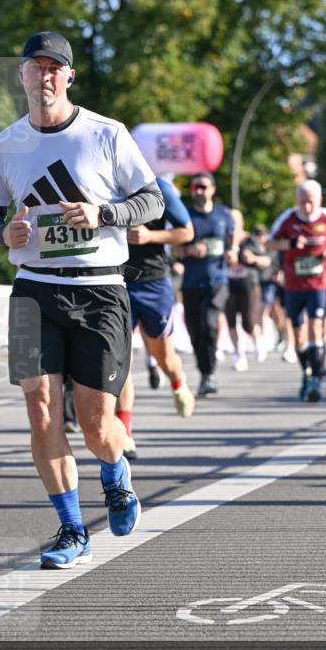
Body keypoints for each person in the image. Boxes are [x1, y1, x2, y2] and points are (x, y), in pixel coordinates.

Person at [0, 31, 164, 568]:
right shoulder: (5, 144)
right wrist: (0, 231)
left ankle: (115, 473)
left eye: (55, 68)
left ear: (69, 76)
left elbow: (150, 200)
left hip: (100, 288)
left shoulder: (106, 134)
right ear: (22, 77)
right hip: (34, 288)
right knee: (40, 412)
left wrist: (103, 215)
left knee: (98, 424)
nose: (45, 77)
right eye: (35, 68)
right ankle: (71, 528)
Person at [115, 174, 196, 459]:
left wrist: (150, 236)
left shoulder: (158, 187)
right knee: (120, 358)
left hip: (153, 281)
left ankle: (177, 382)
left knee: (165, 358)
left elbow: (186, 231)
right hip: (115, 280)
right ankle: (125, 432)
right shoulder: (99, 182)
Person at [268, 180, 326, 402]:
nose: (306, 207)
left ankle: (316, 379)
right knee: (299, 336)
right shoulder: (287, 218)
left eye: (310, 202)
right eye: (302, 202)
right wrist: (288, 244)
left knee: (316, 328)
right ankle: (307, 373)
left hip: (318, 284)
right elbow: (269, 244)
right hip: (293, 285)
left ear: (319, 200)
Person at [177, 172, 237, 398]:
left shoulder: (223, 214)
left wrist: (233, 251)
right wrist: (189, 251)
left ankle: (209, 373)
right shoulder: (185, 215)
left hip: (217, 279)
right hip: (192, 281)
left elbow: (233, 237)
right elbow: (175, 248)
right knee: (195, 331)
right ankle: (204, 371)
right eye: (195, 187)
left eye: (203, 187)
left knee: (209, 322)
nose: (198, 191)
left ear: (212, 189)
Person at [225, 210, 271, 371]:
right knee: (230, 321)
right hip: (228, 286)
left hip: (249, 285)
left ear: (242, 223)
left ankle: (258, 341)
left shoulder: (250, 240)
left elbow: (267, 260)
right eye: (230, 221)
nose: (233, 225)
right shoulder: (223, 240)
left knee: (248, 322)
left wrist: (254, 258)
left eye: (236, 222)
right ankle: (239, 355)